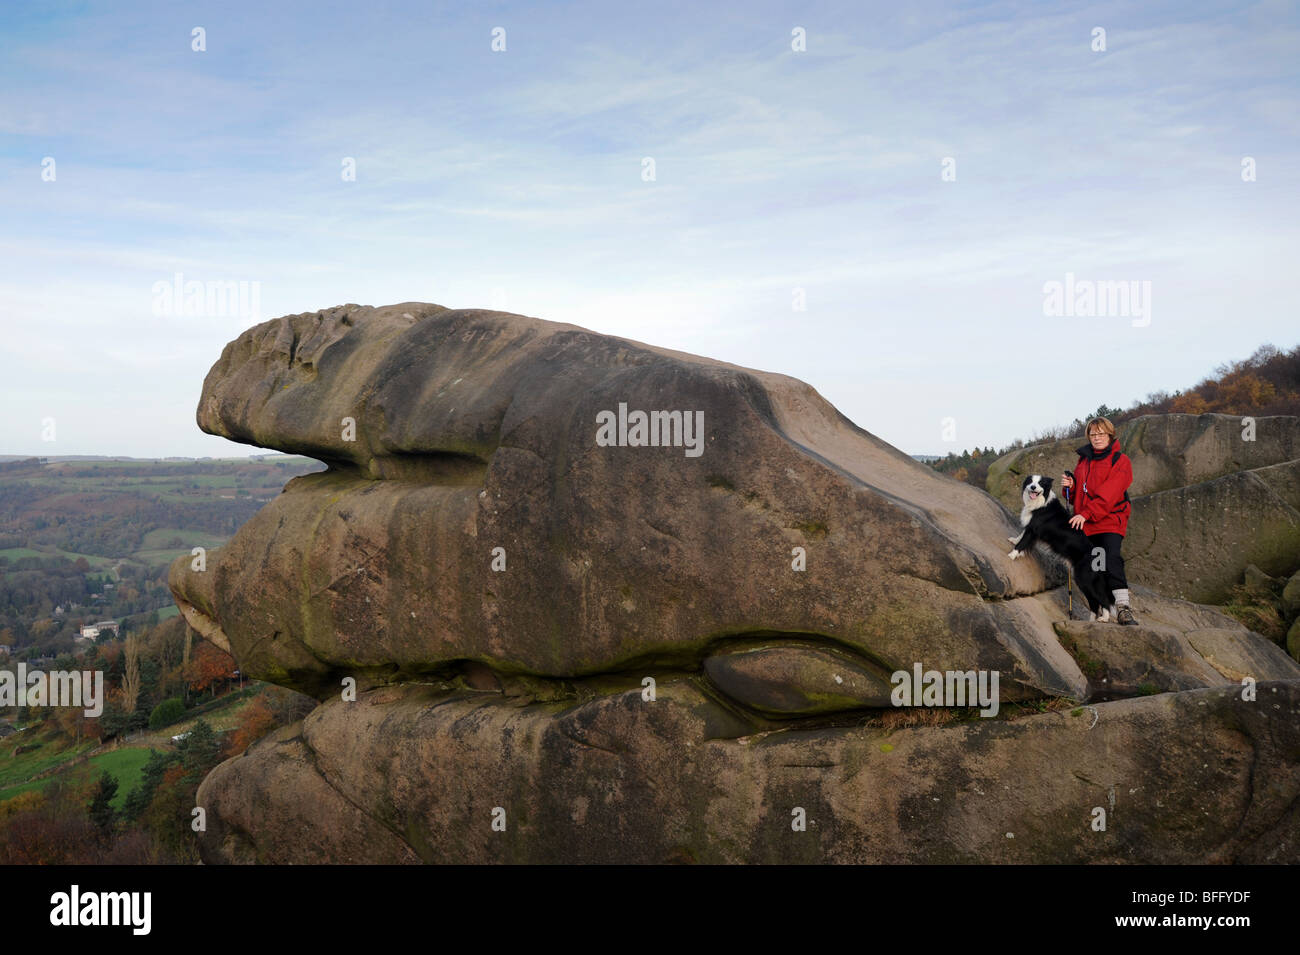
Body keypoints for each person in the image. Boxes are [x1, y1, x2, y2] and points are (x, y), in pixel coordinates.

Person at [1061, 416, 1138, 625]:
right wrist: (1069, 486)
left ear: (1110, 435)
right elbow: (1075, 495)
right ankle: (1104, 607)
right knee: (1096, 566)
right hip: (1088, 526)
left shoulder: (1120, 461)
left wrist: (1086, 514)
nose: (1097, 438)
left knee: (1111, 559)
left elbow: (1108, 495)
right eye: (1093, 434)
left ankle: (1123, 609)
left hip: (1110, 521)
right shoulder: (1083, 461)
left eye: (1101, 434)